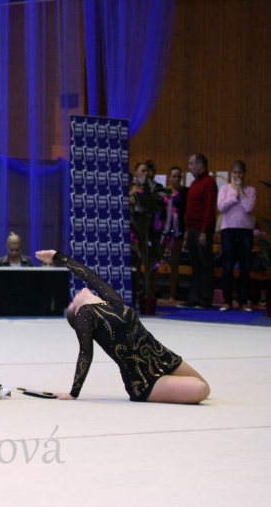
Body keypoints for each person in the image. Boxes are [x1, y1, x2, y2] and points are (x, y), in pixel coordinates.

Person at [36, 249, 210, 404]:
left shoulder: (112, 302)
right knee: (202, 389)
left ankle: (171, 384)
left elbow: (88, 275)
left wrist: (56, 255)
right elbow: (85, 353)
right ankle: (166, 386)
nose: (75, 296)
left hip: (164, 357)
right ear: (75, 310)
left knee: (204, 386)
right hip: (144, 380)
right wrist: (73, 393)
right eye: (71, 303)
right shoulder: (85, 315)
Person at [179, 153, 218, 309]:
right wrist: (187, 230)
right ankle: (194, 297)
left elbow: (209, 208)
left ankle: (205, 299)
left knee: (205, 264)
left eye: (191, 164)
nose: (189, 167)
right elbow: (190, 208)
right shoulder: (194, 183)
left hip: (202, 229)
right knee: (195, 264)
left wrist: (204, 231)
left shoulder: (209, 183)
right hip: (192, 228)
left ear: (200, 165)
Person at [217, 160, 256, 311]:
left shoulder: (250, 190)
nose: (237, 175)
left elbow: (248, 207)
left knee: (245, 267)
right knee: (227, 266)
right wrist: (235, 196)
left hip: (245, 230)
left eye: (240, 172)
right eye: (235, 172)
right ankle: (227, 301)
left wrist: (241, 191)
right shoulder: (225, 189)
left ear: (244, 174)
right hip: (228, 230)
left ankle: (243, 301)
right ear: (231, 173)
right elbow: (221, 207)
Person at [163, 166, 188, 301]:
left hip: (178, 230)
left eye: (179, 177)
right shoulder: (164, 192)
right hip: (163, 231)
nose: (177, 179)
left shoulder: (185, 192)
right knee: (157, 262)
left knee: (175, 262)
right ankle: (152, 292)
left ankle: (172, 294)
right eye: (174, 176)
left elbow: (187, 212)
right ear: (169, 177)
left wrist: (187, 230)